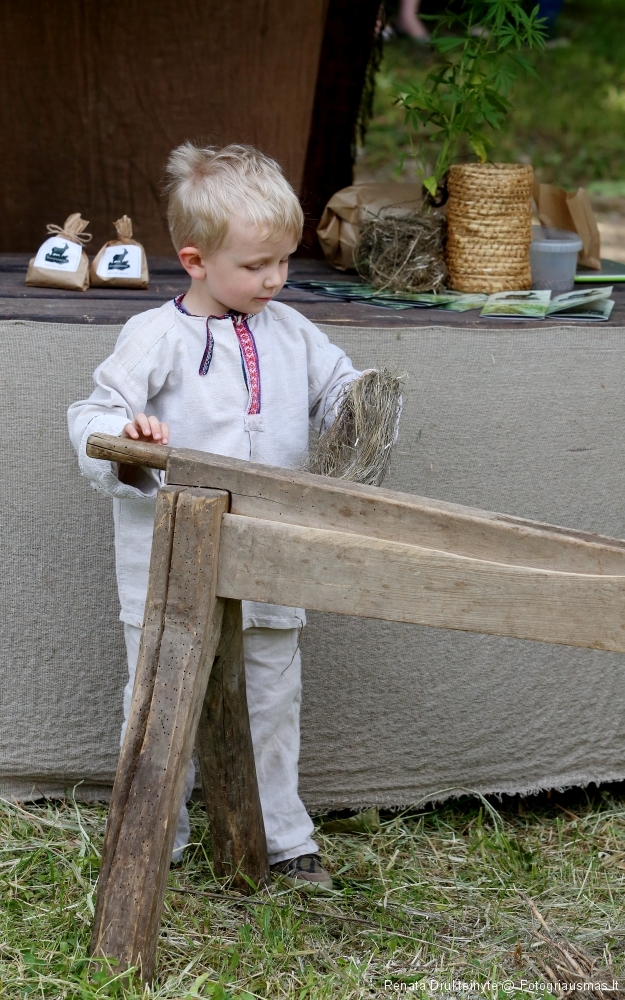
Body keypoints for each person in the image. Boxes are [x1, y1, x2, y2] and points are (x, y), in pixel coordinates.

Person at [67, 143, 366, 890]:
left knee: (271, 696)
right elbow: (93, 416)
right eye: (257, 264)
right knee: (161, 701)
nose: (275, 279)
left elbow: (342, 389)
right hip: (172, 560)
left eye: (284, 261)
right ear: (195, 261)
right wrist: (128, 439)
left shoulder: (291, 332)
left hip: (267, 555)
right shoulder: (156, 336)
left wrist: (362, 406)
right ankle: (151, 840)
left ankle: (282, 839)